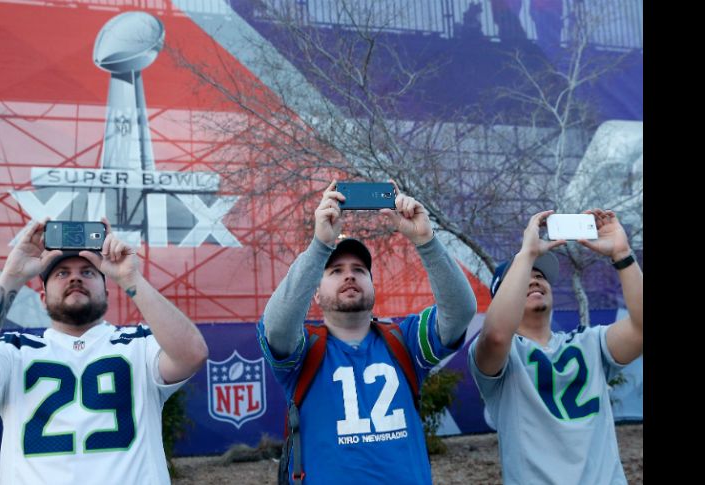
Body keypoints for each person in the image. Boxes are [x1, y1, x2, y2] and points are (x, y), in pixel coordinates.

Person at [257, 181, 477, 484]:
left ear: (373, 286)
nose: (349, 274)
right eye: (335, 271)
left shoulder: (405, 339)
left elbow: (460, 312)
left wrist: (426, 240)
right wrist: (320, 244)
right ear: (315, 294)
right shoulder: (303, 349)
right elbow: (277, 327)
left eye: (359, 270)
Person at [0, 219, 209, 485]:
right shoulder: (13, 351)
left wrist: (131, 278)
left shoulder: (138, 345)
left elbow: (193, 354)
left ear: (107, 293)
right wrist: (12, 276)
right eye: (61, 273)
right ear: (42, 298)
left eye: (88, 272)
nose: (75, 277)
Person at [469, 208, 642, 484]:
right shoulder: (501, 354)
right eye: (525, 275)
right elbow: (497, 335)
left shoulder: (591, 343)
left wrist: (622, 254)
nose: (535, 278)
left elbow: (641, 328)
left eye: (540, 276)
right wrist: (525, 254)